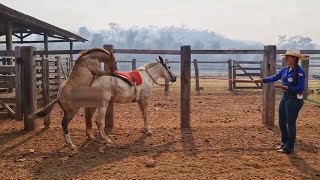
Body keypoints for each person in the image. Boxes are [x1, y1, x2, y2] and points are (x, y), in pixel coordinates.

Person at [254, 49, 306, 154]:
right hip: (285, 97)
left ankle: (290, 146)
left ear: (294, 58)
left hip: (294, 99)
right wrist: (262, 80)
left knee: (290, 122)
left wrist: (286, 87)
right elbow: (274, 77)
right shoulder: (285, 69)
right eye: (286, 56)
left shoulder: (299, 72)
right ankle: (284, 143)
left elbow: (300, 88)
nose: (286, 58)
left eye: (288, 57)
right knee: (282, 121)